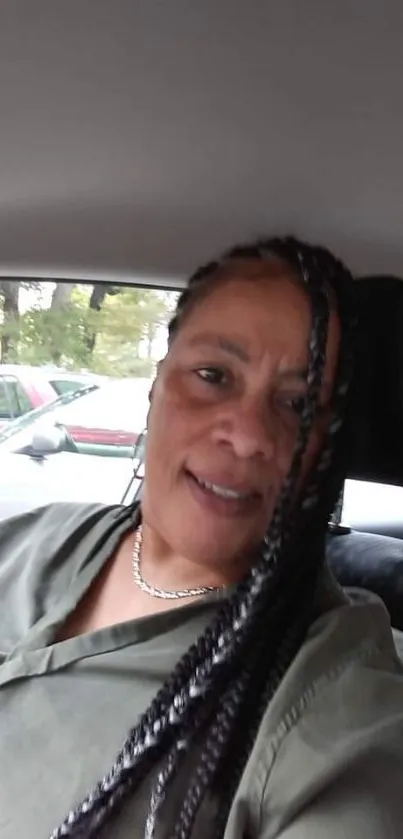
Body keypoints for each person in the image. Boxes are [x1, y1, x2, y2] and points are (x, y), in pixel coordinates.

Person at [1, 235, 403, 839]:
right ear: (156, 384)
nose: (247, 435)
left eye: (298, 403)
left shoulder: (324, 689)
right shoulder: (36, 537)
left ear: (329, 446)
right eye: (213, 375)